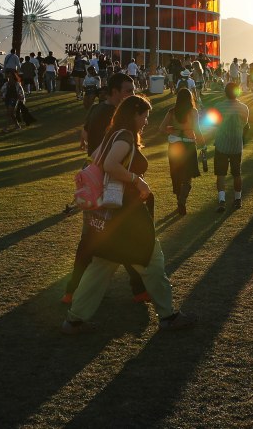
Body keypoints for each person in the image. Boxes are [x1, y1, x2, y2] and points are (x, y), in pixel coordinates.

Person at [62, 95, 195, 334]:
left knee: (101, 264)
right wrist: (137, 181)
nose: (146, 121)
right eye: (144, 116)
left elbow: (95, 160)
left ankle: (75, 320)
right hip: (127, 212)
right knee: (152, 259)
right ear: (134, 114)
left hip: (109, 212)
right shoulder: (124, 137)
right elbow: (110, 164)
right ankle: (168, 315)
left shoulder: (113, 134)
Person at [162, 88, 203, 216]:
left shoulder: (171, 112)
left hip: (174, 145)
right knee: (188, 176)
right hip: (189, 145)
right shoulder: (193, 112)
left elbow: (161, 128)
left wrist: (174, 128)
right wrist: (203, 144)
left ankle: (179, 201)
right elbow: (197, 129)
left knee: (177, 173)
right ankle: (182, 201)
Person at [212, 82, 250, 212]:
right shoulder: (244, 108)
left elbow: (214, 123)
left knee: (221, 174)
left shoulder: (218, 106)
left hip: (221, 143)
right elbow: (245, 124)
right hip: (236, 144)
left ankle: (222, 200)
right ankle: (238, 199)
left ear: (225, 92)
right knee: (236, 173)